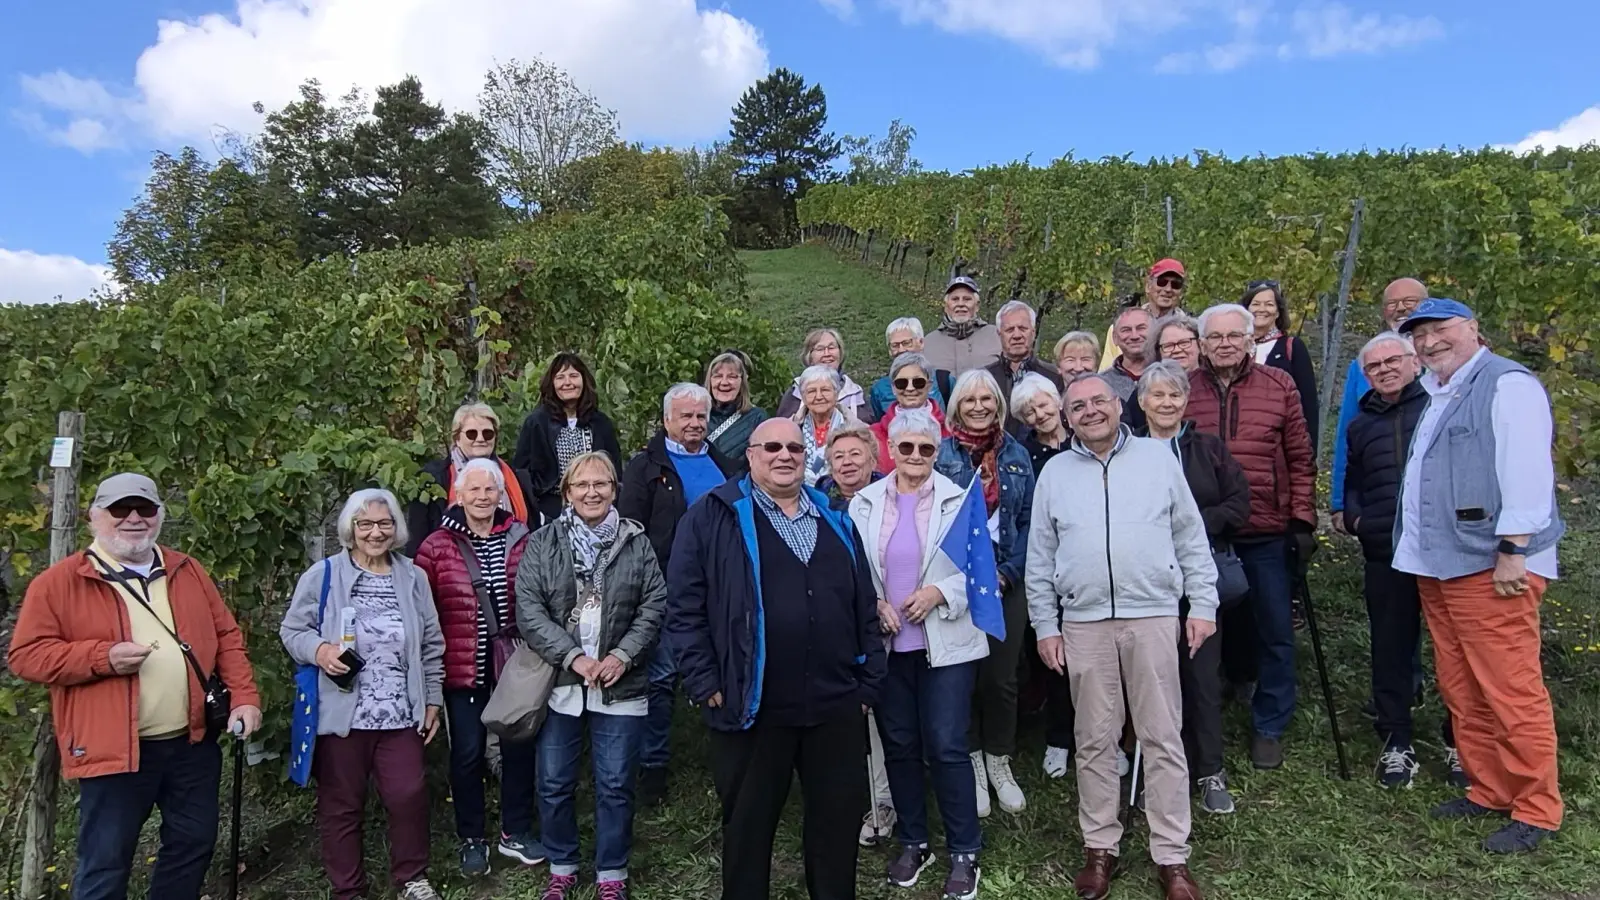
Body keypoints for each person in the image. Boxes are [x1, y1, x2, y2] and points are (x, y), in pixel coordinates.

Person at [8, 473, 263, 900]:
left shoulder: (187, 569)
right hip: (113, 750)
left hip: (192, 744)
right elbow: (26, 656)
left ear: (159, 515)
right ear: (94, 517)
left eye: (144, 509)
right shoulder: (61, 582)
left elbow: (226, 638)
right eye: (119, 510)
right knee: (106, 862)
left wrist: (245, 698)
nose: (133, 519)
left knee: (193, 846)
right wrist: (100, 658)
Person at [664, 417, 885, 900]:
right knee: (748, 830)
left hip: (835, 706)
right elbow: (682, 607)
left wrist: (868, 684)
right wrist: (704, 681)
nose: (784, 456)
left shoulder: (834, 517)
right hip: (752, 704)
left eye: (794, 448)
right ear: (750, 454)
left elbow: (863, 604)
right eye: (772, 447)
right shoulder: (711, 516)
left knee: (836, 829)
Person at [1027, 373, 1217, 900]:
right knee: (1094, 740)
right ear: (1066, 418)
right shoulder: (1056, 474)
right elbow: (1039, 557)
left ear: (1119, 405)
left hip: (1152, 614)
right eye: (1078, 406)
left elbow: (1190, 537)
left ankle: (1172, 856)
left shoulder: (1158, 459)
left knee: (1162, 736)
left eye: (1098, 401)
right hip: (1084, 622)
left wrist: (1202, 603)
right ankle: (1099, 846)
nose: (1090, 411)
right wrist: (1045, 624)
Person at [1394, 299, 1565, 854]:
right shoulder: (1441, 392)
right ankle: (1489, 787)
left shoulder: (1507, 384)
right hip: (1441, 565)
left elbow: (1527, 472)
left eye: (1440, 330)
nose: (1429, 342)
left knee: (1511, 689)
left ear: (1472, 328)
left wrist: (1514, 548)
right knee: (1463, 687)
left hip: (1491, 566)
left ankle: (1537, 807)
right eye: (1419, 335)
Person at [849, 408, 989, 900]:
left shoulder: (960, 500)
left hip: (944, 643)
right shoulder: (863, 503)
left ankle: (965, 849)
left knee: (947, 744)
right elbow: (853, 570)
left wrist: (939, 593)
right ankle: (913, 840)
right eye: (905, 447)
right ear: (890, 450)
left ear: (937, 452)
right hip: (889, 645)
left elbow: (980, 571)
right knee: (901, 745)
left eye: (925, 449)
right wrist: (875, 604)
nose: (914, 456)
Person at [280, 489, 446, 900]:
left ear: (396, 529)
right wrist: (320, 651)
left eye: (384, 523)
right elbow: (292, 631)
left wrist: (432, 699)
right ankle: (348, 889)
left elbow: (431, 644)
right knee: (341, 805)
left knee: (408, 794)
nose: (375, 532)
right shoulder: (324, 576)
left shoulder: (413, 577)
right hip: (342, 713)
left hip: (400, 711)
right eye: (366, 524)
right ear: (351, 529)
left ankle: (412, 878)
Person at [516, 451, 667, 900]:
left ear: (614, 490)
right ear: (567, 493)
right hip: (562, 683)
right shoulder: (544, 543)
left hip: (623, 685)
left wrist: (623, 654)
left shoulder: (636, 542)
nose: (592, 492)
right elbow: (529, 609)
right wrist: (572, 657)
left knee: (617, 783)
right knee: (555, 781)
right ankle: (562, 864)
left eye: (601, 484)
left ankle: (611, 874)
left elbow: (654, 604)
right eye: (581, 485)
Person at [1185, 304, 1315, 771]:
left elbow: (1300, 456)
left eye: (1232, 336)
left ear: (1248, 340)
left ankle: (1269, 724)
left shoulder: (1278, 386)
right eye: (1214, 337)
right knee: (1208, 626)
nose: (1223, 344)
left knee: (1274, 628)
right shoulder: (1187, 390)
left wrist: (1302, 519)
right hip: (1204, 533)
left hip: (1265, 527)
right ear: (1201, 343)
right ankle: (1211, 706)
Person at [1342, 333, 1462, 790]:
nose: (1385, 370)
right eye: (1374, 367)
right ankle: (1396, 741)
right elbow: (1353, 480)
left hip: (1443, 552)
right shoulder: (1361, 425)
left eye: (1393, 360)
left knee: (1451, 650)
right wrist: (1357, 519)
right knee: (1389, 649)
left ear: (1414, 362)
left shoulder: (1439, 408)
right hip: (1384, 553)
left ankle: (1460, 740)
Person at [412, 459, 541, 874]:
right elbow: (421, 609)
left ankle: (515, 831)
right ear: (459, 495)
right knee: (466, 754)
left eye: (490, 490)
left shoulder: (521, 537)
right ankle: (472, 837)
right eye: (475, 491)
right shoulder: (436, 545)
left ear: (501, 494)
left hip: (514, 663)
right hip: (461, 666)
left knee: (517, 747)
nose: (483, 498)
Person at [1136, 361, 1252, 815]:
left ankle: (1210, 770)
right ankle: (1157, 773)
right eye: (1158, 395)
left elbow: (1239, 503)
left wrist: (1192, 525)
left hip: (1200, 579)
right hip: (1147, 585)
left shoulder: (1208, 449)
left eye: (1175, 396)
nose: (1166, 403)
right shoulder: (1129, 452)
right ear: (1143, 401)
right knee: (1154, 683)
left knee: (1202, 679)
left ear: (1186, 402)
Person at [620, 383, 737, 806]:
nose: (694, 423)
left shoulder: (726, 464)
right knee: (663, 678)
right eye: (685, 416)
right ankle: (653, 767)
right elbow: (630, 529)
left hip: (722, 589)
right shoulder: (646, 467)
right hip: (667, 586)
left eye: (700, 416)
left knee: (722, 672)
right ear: (667, 420)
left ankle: (729, 760)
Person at [934, 370, 1035, 818]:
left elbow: (1032, 520)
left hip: (1006, 582)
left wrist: (1008, 574)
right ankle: (972, 761)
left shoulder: (1017, 453)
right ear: (956, 405)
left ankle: (999, 758)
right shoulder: (939, 455)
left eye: (986, 399)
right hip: (958, 581)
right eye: (969, 399)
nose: (978, 406)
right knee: (963, 677)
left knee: (1001, 677)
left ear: (998, 403)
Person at [1009, 375, 1075, 779]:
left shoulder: (1084, 442)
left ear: (1058, 401)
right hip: (1047, 563)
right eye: (1030, 411)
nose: (1040, 413)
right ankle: (1058, 738)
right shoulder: (1026, 454)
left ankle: (1101, 738)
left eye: (1044, 404)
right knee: (1052, 656)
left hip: (1088, 562)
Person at [1331, 278, 1426, 534]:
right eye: (1392, 303)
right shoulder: (1363, 363)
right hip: (1380, 506)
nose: (1400, 309)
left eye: (1409, 302)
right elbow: (1346, 435)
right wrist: (1342, 506)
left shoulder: (1441, 356)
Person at [406, 402, 539, 556]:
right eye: (471, 434)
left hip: (512, 566)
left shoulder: (517, 478)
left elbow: (532, 531)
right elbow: (417, 541)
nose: (480, 439)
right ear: (457, 438)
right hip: (450, 567)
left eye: (488, 433)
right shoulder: (432, 478)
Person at [513, 353, 624, 522]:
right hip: (550, 509)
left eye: (573, 376)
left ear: (584, 381)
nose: (567, 383)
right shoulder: (536, 423)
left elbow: (615, 470)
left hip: (594, 505)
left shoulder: (600, 423)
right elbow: (521, 471)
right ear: (552, 383)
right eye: (560, 377)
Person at [1242, 281, 1319, 453]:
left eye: (1269, 304)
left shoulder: (1292, 347)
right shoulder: (1234, 347)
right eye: (1255, 304)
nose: (1261, 309)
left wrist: (1309, 453)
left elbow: (1308, 404)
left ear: (1278, 311)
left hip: (1280, 445)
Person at [985, 300, 1062, 437]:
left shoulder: (1053, 375)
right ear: (999, 334)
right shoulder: (985, 379)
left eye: (1023, 328)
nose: (1017, 335)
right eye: (1009, 330)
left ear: (1033, 332)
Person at [1100, 259, 1187, 370]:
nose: (1168, 289)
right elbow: (1106, 375)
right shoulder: (1120, 330)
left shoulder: (1190, 333)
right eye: (1162, 282)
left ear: (1181, 292)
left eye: (1176, 284)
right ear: (1148, 286)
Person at [871, 352, 950, 473]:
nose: (910, 388)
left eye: (918, 382)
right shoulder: (872, 436)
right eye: (901, 383)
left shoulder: (951, 431)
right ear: (893, 388)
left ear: (929, 386)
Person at [869, 318, 956, 420]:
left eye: (906, 343)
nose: (901, 350)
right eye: (895, 345)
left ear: (921, 342)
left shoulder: (944, 381)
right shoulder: (880, 389)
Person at [775, 328, 868, 420]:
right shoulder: (795, 393)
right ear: (809, 356)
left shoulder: (855, 394)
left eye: (831, 348)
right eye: (820, 349)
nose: (827, 353)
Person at [793, 364, 861, 487]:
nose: (819, 397)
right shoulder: (792, 428)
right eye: (812, 391)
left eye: (825, 390)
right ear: (803, 397)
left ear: (836, 393)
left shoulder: (856, 429)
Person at [923, 276, 1003, 376]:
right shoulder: (928, 343)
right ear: (946, 307)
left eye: (967, 299)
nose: (960, 304)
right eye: (955, 299)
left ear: (977, 306)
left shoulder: (996, 336)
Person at [705, 350, 770, 466]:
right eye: (718, 376)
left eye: (732, 377)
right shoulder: (697, 416)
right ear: (709, 381)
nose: (724, 382)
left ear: (742, 382)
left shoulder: (757, 418)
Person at [819, 424, 886, 513]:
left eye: (855, 454)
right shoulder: (817, 503)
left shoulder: (890, 498)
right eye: (839, 456)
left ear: (872, 462)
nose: (847, 462)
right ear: (831, 466)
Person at [1100, 307, 1154, 402]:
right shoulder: (1102, 382)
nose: (1134, 336)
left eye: (1141, 328)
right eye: (1126, 330)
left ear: (1155, 332)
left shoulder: (1171, 375)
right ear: (1114, 338)